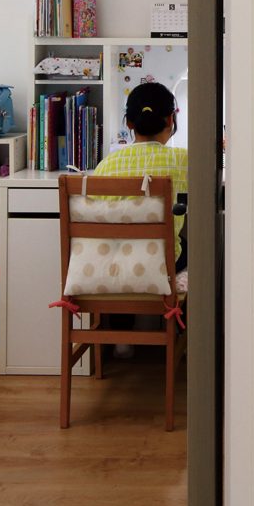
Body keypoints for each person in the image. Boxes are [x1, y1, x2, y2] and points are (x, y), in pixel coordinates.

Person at [90, 80, 188, 357]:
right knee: (193, 247)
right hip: (163, 265)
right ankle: (183, 336)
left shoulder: (106, 166)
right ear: (170, 120)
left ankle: (122, 338)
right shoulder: (184, 161)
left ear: (129, 123)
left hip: (115, 265)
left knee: (121, 247)